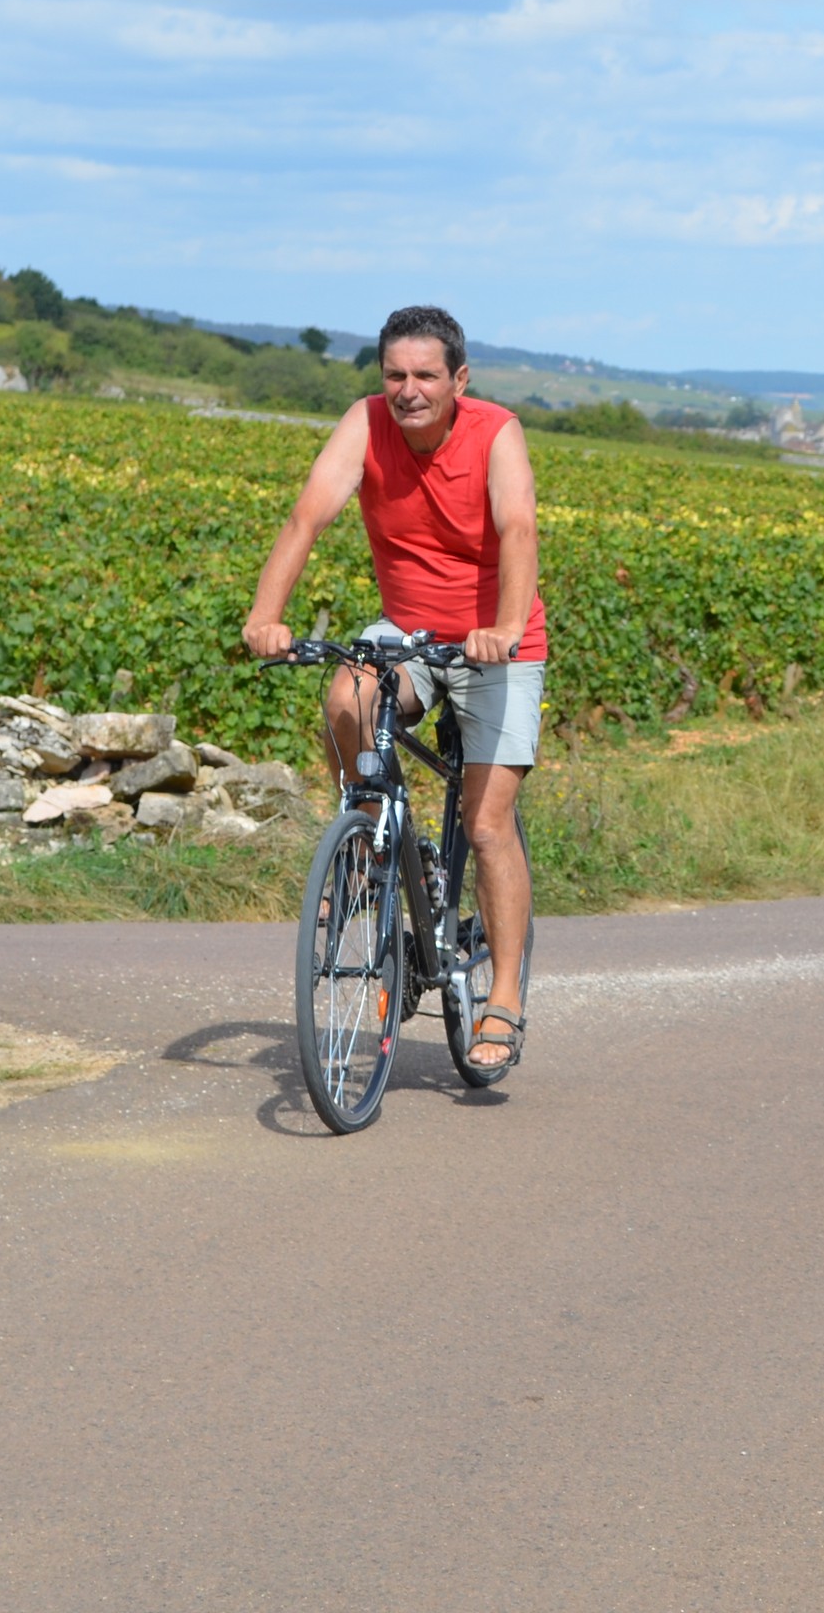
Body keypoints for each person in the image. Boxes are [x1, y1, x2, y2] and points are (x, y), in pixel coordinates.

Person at [243, 305, 546, 1074]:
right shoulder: (366, 423)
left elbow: (518, 529)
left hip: (494, 642)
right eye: (395, 376)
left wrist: (504, 626)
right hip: (408, 631)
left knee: (485, 825)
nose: (408, 391)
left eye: (426, 376)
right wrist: (266, 617)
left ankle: (503, 1000)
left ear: (459, 379)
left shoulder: (495, 431)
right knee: (347, 697)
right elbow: (309, 515)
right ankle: (375, 846)